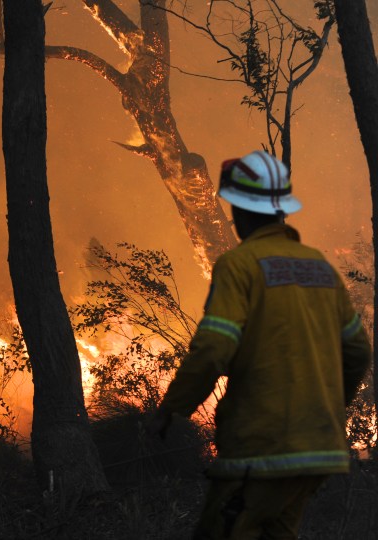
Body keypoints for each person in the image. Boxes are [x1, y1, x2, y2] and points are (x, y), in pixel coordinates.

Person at [148, 150, 371, 539]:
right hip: (318, 450)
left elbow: (214, 347)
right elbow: (357, 352)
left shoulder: (240, 265)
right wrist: (330, 408)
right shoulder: (320, 267)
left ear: (240, 211)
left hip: (262, 448)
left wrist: (175, 406)